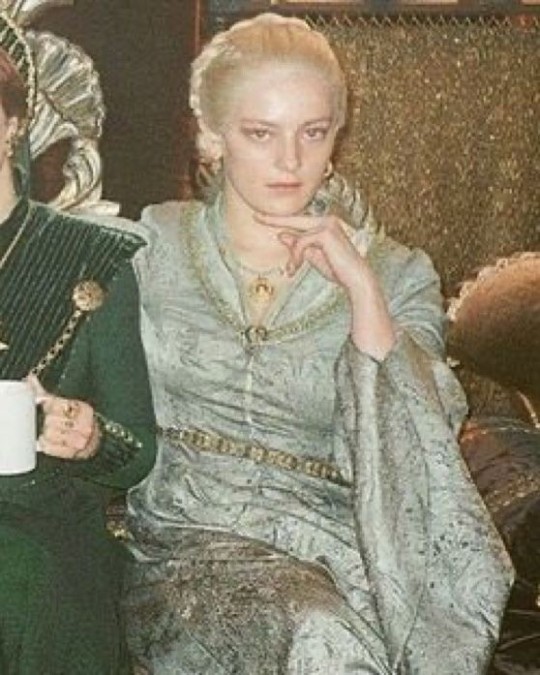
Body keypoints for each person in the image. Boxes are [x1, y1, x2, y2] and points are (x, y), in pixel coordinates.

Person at [124, 13, 513, 674]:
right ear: (212, 136)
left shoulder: (398, 273)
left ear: (337, 136)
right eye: (261, 133)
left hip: (349, 553)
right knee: (321, 635)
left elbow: (425, 441)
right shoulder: (152, 249)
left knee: (351, 632)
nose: (290, 161)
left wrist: (363, 294)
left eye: (313, 132)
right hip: (188, 542)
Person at [0, 12, 156, 674]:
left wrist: (90, 436)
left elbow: (138, 451)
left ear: (12, 123)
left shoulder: (92, 257)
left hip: (41, 531)